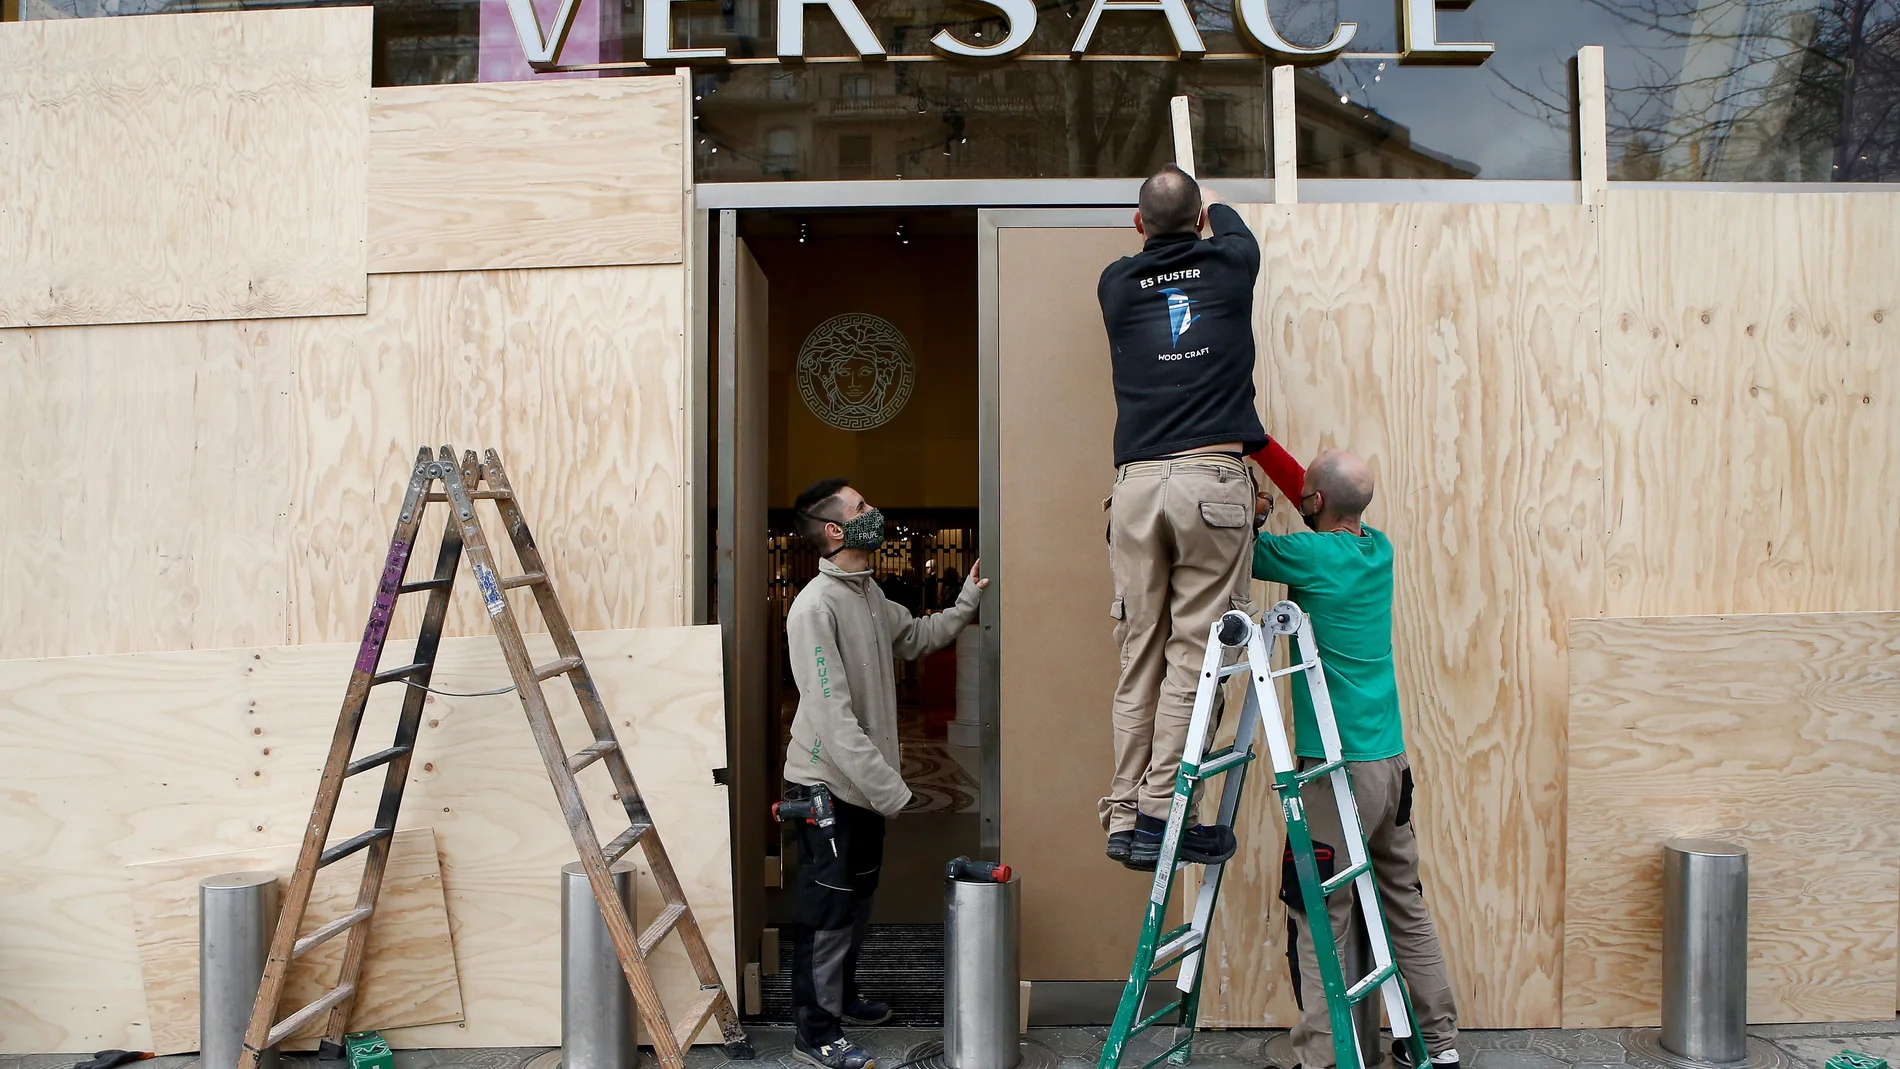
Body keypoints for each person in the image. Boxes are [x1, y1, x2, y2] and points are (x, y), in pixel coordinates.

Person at [1096, 163, 1302, 870]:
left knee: (1139, 654)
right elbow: (1230, 222)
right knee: (1194, 653)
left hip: (1136, 488)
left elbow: (1171, 233)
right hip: (1209, 481)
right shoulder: (1233, 261)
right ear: (1201, 222)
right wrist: (1206, 205)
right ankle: (1160, 815)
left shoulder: (1117, 282)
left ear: (1139, 224)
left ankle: (1125, 817)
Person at [1252, 450, 1459, 1069]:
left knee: (1321, 912)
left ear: (1313, 504)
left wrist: (1254, 508)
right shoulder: (1379, 548)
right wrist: (1261, 442)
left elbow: (1239, 549)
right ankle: (1438, 1043)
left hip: (1335, 775)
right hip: (1391, 769)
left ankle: (1326, 1059)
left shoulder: (1310, 555)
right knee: (1404, 900)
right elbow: (1318, 500)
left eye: (1304, 495)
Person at [782, 477, 989, 1069]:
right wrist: (890, 789)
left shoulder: (867, 595)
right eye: (862, 507)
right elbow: (832, 716)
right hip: (827, 785)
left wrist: (966, 600)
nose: (875, 511)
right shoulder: (814, 608)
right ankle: (814, 1033)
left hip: (861, 788)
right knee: (828, 908)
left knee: (857, 898)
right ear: (834, 530)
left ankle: (842, 997)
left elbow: (919, 634)